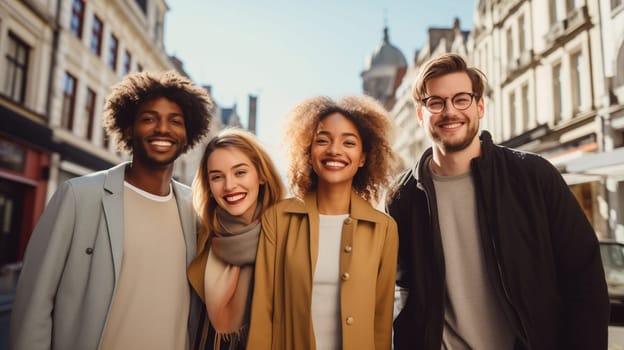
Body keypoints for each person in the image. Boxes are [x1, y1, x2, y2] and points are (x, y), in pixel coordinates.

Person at [388, 53, 610, 350]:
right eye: (436, 102)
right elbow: (405, 294)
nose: (450, 111)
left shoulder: (534, 175)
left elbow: (584, 280)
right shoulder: (402, 198)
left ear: (479, 106)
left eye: (461, 99)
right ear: (420, 114)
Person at [9, 70, 214, 350]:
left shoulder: (196, 210)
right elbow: (35, 302)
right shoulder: (78, 196)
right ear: (128, 128)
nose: (162, 129)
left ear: (188, 134)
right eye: (149, 118)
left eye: (175, 121)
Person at [247, 95, 399, 350]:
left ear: (363, 157)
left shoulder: (383, 229)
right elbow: (263, 311)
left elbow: (381, 322)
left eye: (348, 142)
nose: (334, 150)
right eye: (322, 140)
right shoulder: (278, 218)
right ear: (308, 152)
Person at [187, 128, 285, 350]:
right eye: (217, 177)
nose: (229, 186)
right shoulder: (199, 237)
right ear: (209, 187)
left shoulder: (288, 239)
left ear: (261, 175)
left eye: (240, 172)